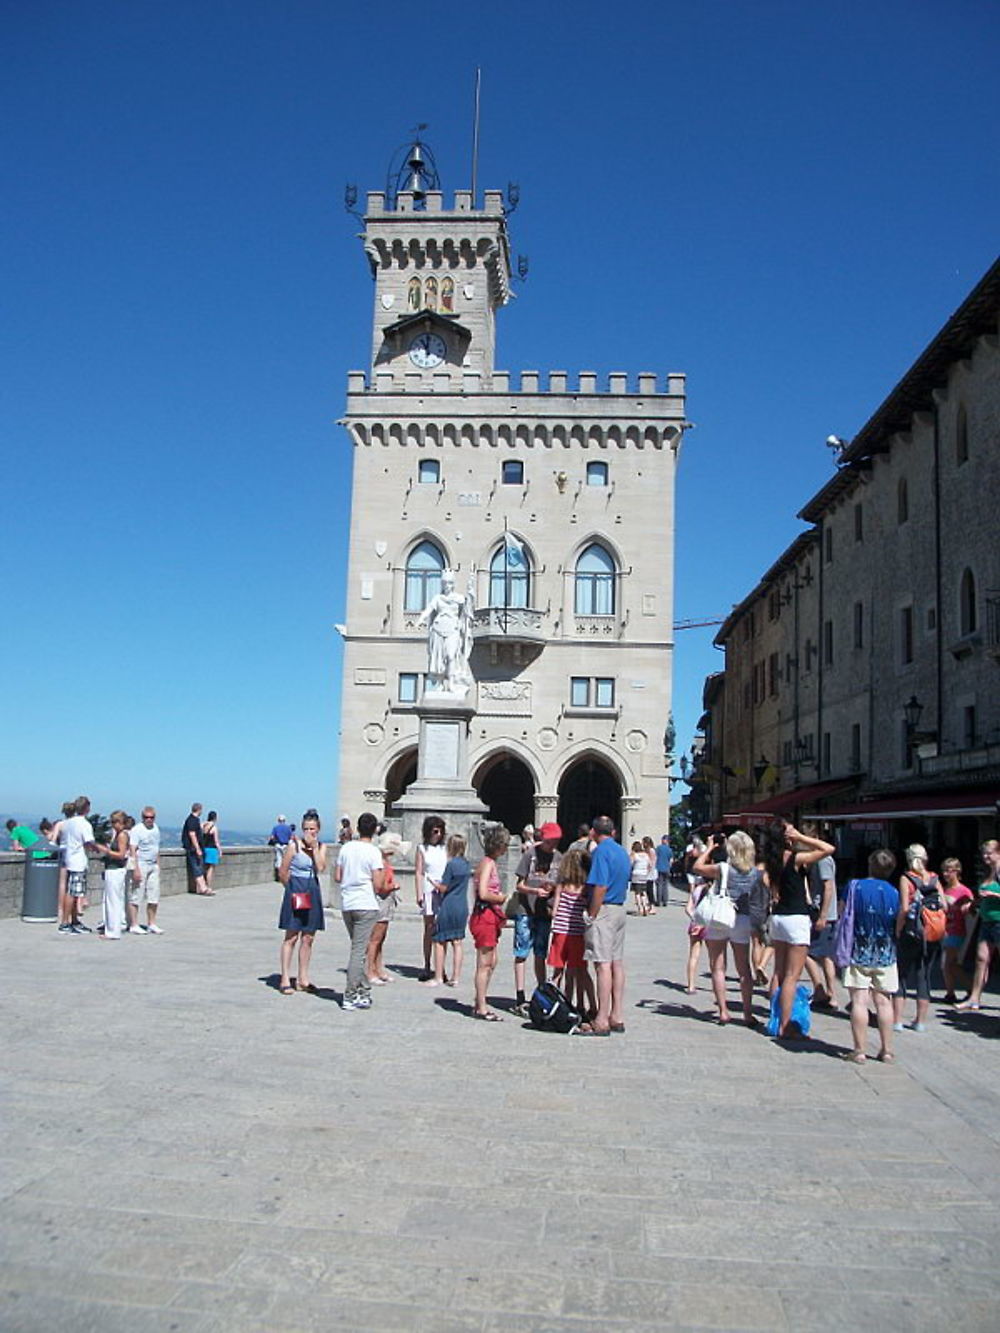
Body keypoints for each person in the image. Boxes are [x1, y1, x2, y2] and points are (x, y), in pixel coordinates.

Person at [760, 819, 836, 1040]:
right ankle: (786, 1025)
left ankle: (776, 1019)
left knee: (780, 973)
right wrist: (801, 838)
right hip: (796, 918)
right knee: (793, 976)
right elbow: (828, 849)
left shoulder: (771, 861)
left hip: (778, 918)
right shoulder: (795, 858)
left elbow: (765, 880)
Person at [692, 831, 760, 1026]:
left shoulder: (722, 868)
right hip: (742, 919)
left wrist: (710, 847)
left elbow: (697, 867)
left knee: (718, 966)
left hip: (720, 917)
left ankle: (723, 1011)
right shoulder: (755, 872)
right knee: (744, 969)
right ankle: (747, 1013)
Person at [841, 849, 901, 1064]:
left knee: (859, 1000)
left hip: (858, 949)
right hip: (886, 952)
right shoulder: (894, 892)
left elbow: (843, 913)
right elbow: (899, 921)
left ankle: (859, 1051)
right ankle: (886, 1050)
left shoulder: (854, 886)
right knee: (884, 1002)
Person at [576, 815, 632, 1036]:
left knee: (602, 964)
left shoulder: (601, 852)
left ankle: (601, 1018)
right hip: (620, 908)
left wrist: (591, 913)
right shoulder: (621, 851)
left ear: (593, 833)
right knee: (617, 962)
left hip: (605, 910)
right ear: (614, 832)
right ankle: (617, 1015)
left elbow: (600, 885)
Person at [334, 811, 384, 1010]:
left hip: (347, 903)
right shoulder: (373, 851)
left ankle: (364, 992)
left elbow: (338, 876)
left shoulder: (346, 848)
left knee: (358, 949)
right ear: (374, 830)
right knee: (358, 951)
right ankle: (349, 994)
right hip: (366, 904)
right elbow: (378, 884)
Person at [511, 822, 561, 1014]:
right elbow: (519, 885)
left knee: (541, 953)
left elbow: (561, 887)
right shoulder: (530, 854)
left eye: (556, 840)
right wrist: (534, 890)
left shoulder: (559, 857)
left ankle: (541, 994)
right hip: (526, 910)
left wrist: (553, 891)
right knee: (521, 952)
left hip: (544, 913)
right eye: (551, 840)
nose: (554, 843)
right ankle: (520, 996)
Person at [277, 809, 327, 994]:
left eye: (312, 829)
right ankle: (284, 978)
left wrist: (313, 848)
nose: (309, 832)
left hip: (312, 889)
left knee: (308, 937)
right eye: (306, 828)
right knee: (291, 935)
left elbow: (321, 867)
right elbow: (283, 870)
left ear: (318, 829)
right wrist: (290, 889)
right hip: (296, 889)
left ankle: (303, 978)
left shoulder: (321, 847)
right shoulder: (293, 846)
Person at [893, 843, 942, 1032]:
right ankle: (920, 1022)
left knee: (902, 974)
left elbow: (904, 907)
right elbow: (944, 904)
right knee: (924, 975)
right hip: (931, 934)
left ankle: (897, 1020)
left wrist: (898, 929)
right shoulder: (934, 878)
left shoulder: (907, 878)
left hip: (911, 931)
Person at [547, 846, 596, 1020]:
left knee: (558, 971)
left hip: (560, 932)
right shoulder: (585, 888)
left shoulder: (562, 884)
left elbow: (555, 909)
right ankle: (583, 1004)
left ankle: (558, 1003)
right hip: (578, 934)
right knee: (579, 971)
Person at [469, 825, 508, 1020]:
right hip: (484, 916)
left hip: (489, 917)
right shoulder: (488, 864)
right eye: (505, 844)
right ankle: (481, 1007)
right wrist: (500, 898)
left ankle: (479, 1000)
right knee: (484, 963)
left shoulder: (488, 862)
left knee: (492, 961)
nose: (507, 848)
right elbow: (483, 892)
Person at [956, 839, 1000, 1013]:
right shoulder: (989, 872)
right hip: (986, 921)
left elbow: (993, 894)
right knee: (981, 959)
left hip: (998, 921)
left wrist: (994, 895)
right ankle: (974, 998)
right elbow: (984, 896)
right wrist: (974, 904)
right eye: (984, 853)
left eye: (989, 852)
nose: (985, 856)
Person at [416, 568, 474, 696]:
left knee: (451, 655)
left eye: (449, 583)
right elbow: (429, 609)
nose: (446, 586)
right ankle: (441, 684)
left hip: (453, 629)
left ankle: (452, 683)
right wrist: (421, 619)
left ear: (453, 584)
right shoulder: (438, 598)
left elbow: (468, 610)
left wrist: (470, 593)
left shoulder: (459, 598)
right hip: (438, 629)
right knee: (439, 659)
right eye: (444, 583)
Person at [802, 822, 839, 1009]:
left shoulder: (823, 860)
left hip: (824, 913)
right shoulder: (818, 860)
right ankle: (830, 993)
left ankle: (821, 991)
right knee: (825, 956)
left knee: (805, 952)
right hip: (823, 911)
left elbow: (828, 886)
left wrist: (823, 915)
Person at [426, 833, 470, 988]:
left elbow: (444, 887)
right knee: (457, 942)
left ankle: (438, 976)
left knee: (439, 940)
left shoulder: (451, 865)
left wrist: (433, 882)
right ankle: (455, 977)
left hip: (449, 904)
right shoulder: (466, 864)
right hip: (462, 905)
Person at [367, 831, 407, 987]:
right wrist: (394, 886)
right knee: (375, 939)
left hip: (385, 902)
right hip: (382, 902)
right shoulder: (382, 864)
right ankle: (371, 970)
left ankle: (378, 969)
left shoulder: (384, 862)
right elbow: (381, 887)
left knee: (380, 939)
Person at [59, 796, 99, 933]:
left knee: (74, 892)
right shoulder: (84, 824)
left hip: (68, 859)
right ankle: (65, 923)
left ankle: (74, 921)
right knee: (73, 893)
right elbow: (88, 842)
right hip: (78, 862)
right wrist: (99, 848)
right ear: (87, 808)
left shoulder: (68, 823)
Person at [414, 815, 447, 980]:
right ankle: (427, 965)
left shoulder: (445, 849)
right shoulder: (422, 848)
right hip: (428, 889)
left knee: (442, 929)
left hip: (442, 890)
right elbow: (419, 872)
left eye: (440, 831)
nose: (438, 834)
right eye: (435, 831)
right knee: (428, 928)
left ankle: (441, 966)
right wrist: (419, 892)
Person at [940, 857, 974, 1003]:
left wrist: (962, 907)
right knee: (952, 965)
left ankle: (952, 993)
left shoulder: (964, 891)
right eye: (944, 871)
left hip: (957, 930)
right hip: (945, 930)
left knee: (947, 964)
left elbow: (971, 912)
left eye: (949, 871)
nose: (946, 874)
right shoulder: (945, 889)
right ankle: (969, 988)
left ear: (957, 871)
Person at [127, 805, 163, 933]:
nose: (149, 820)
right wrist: (135, 868)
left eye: (151, 818)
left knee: (154, 895)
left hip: (153, 864)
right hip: (141, 863)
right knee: (137, 895)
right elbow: (132, 850)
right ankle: (134, 924)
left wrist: (158, 865)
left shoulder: (156, 829)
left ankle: (151, 923)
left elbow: (156, 847)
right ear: (142, 817)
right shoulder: (137, 830)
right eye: (146, 817)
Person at [98, 811, 130, 941]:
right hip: (113, 869)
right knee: (111, 900)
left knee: (113, 901)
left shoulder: (122, 835)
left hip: (116, 870)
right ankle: (111, 928)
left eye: (115, 822)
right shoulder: (117, 835)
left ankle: (113, 931)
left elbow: (121, 854)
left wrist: (107, 851)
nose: (113, 825)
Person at [684, 876, 707, 993]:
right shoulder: (712, 890)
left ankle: (691, 985)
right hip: (709, 926)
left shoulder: (696, 889)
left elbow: (687, 908)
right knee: (715, 958)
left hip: (695, 924)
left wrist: (694, 918)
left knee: (693, 956)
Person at [182, 803, 211, 895]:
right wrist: (197, 848)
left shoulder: (193, 820)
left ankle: (202, 887)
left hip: (194, 847)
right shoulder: (192, 820)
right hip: (192, 848)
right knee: (197, 868)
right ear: (199, 810)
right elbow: (192, 834)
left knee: (199, 868)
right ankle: (203, 888)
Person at [630, 840, 652, 916]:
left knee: (637, 892)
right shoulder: (646, 855)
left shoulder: (635, 855)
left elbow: (630, 863)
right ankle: (645, 907)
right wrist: (646, 872)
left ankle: (640, 908)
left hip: (636, 874)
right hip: (644, 874)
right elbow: (650, 865)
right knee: (643, 892)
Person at [202, 810, 222, 891]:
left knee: (204, 868)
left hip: (204, 848)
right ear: (215, 818)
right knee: (210, 869)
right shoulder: (214, 828)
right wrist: (220, 850)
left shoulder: (203, 826)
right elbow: (216, 841)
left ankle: (203, 886)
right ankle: (208, 887)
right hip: (212, 849)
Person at [654, 834, 672, 907]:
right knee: (665, 885)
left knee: (659, 885)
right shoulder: (669, 849)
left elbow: (655, 857)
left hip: (659, 867)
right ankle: (665, 901)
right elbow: (671, 860)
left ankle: (658, 901)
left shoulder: (658, 848)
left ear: (663, 840)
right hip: (666, 868)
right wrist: (669, 867)